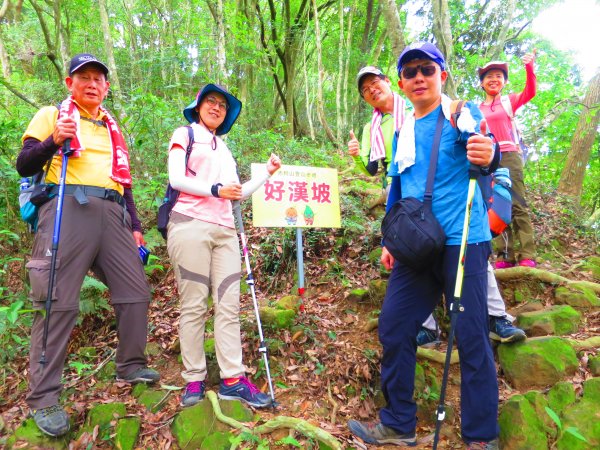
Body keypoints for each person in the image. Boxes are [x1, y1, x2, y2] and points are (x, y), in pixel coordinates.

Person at [348, 42, 500, 449]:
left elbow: (485, 149)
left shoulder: (459, 114)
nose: (418, 77)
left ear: (441, 76)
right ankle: (398, 422)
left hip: (462, 241)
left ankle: (481, 436)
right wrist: (389, 239)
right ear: (401, 82)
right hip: (414, 246)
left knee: (470, 336)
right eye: (411, 71)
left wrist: (491, 153)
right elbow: (397, 184)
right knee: (395, 327)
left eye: (426, 69)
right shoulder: (402, 130)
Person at [16, 53, 159, 437]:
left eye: (98, 78)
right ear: (70, 83)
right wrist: (54, 139)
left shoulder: (112, 128)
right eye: (84, 77)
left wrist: (136, 225)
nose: (92, 83)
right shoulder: (53, 115)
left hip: (113, 213)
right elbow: (25, 163)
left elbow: (124, 183)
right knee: (56, 300)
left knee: (135, 292)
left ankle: (130, 364)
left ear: (107, 87)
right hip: (67, 207)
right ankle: (44, 398)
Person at [349, 66, 525, 345]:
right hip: (405, 190)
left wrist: (488, 153)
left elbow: (471, 136)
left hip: (447, 186)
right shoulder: (372, 126)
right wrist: (359, 157)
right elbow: (374, 167)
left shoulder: (417, 101)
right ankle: (427, 326)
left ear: (389, 82)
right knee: (413, 251)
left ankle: (495, 317)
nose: (372, 89)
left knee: (468, 246)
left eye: (375, 82)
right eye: (365, 89)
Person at [166, 84, 281, 409]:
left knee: (229, 305)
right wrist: (215, 189)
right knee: (194, 305)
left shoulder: (225, 149)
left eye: (222, 105)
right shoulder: (185, 134)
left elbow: (237, 192)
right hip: (189, 224)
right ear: (198, 106)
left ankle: (232, 378)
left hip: (226, 231)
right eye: (210, 102)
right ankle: (193, 379)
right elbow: (177, 178)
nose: (216, 107)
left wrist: (267, 175)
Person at [478, 52, 537, 268]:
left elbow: (530, 92)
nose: (494, 79)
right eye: (489, 76)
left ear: (503, 81)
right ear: (482, 83)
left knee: (517, 203)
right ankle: (505, 254)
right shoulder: (477, 109)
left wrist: (529, 68)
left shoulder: (508, 101)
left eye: (498, 76)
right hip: (489, 158)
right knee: (496, 204)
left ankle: (527, 254)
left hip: (510, 155)